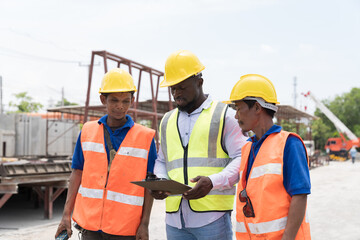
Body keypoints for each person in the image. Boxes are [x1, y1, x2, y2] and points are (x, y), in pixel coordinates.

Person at [151, 50, 247, 240]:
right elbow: (162, 160)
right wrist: (160, 181)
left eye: (182, 87)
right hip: (175, 220)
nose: (176, 94)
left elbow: (242, 157)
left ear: (199, 82)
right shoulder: (167, 121)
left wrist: (213, 182)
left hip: (213, 218)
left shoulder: (224, 116)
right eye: (173, 89)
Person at [55, 68, 157, 240]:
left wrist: (144, 224)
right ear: (103, 99)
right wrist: (66, 214)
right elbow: (76, 174)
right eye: (114, 100)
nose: (120, 106)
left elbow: (150, 183)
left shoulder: (146, 137)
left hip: (126, 229)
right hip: (90, 226)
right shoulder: (87, 131)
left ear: (132, 100)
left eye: (126, 101)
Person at [229, 74, 311, 240]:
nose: (236, 116)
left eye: (238, 108)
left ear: (258, 108)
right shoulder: (247, 147)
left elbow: (300, 195)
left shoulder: (289, 144)